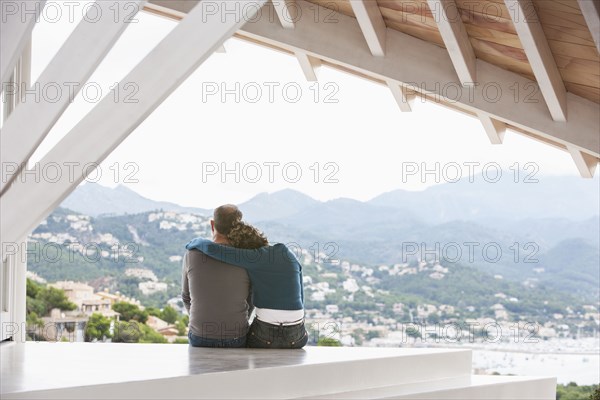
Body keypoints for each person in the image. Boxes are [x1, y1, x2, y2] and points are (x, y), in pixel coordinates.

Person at [186, 220, 308, 349]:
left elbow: (213, 249)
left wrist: (196, 241)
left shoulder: (254, 257)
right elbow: (301, 295)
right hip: (298, 337)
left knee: (241, 338)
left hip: (264, 336)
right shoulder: (288, 253)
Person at [182, 204, 252, 348]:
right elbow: (252, 298)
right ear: (239, 226)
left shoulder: (192, 254)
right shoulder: (247, 257)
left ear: (212, 224)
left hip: (200, 335)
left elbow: (186, 296)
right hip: (236, 336)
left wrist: (198, 321)